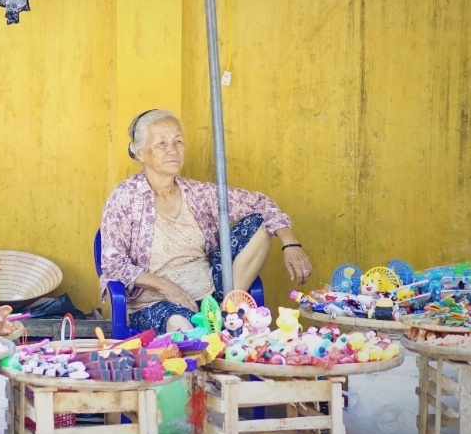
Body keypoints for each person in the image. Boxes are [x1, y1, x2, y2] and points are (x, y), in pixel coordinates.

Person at [99, 109, 312, 334]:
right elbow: (113, 265)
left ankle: (227, 309)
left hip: (212, 293)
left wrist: (290, 244)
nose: (173, 150)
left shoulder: (197, 193)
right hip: (157, 304)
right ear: (140, 152)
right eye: (162, 143)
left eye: (178, 141)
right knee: (182, 327)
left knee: (259, 223)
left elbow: (261, 203)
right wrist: (166, 286)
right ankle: (210, 340)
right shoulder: (125, 197)